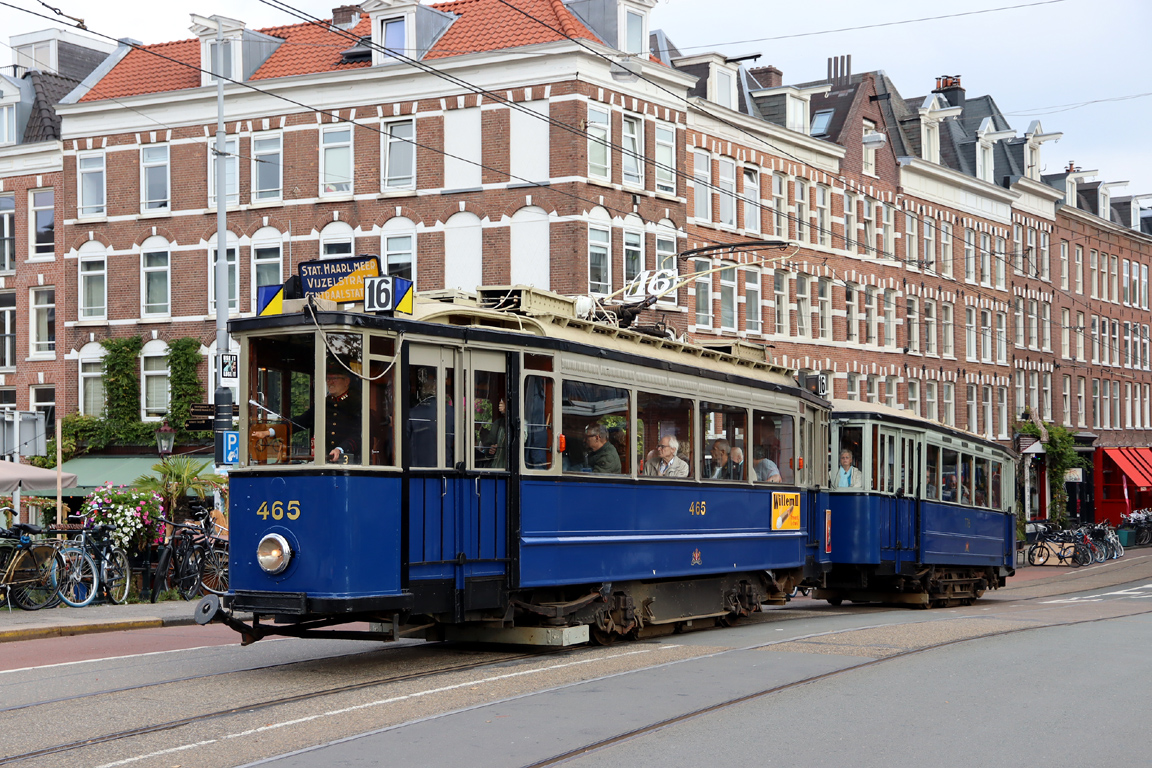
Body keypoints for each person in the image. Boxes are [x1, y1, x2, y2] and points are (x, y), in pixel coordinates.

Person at [253, 360, 361, 463]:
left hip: (352, 466)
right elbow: (300, 422)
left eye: (334, 378)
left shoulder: (356, 404)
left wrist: (340, 449)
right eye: (328, 378)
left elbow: (359, 435)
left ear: (346, 381)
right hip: (326, 464)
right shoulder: (325, 404)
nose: (330, 382)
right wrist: (269, 432)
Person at [476, 398, 507, 469]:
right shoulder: (497, 423)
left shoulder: (523, 423)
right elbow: (488, 443)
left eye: (504, 400)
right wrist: (490, 449)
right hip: (494, 467)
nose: (500, 403)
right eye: (500, 399)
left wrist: (507, 412)